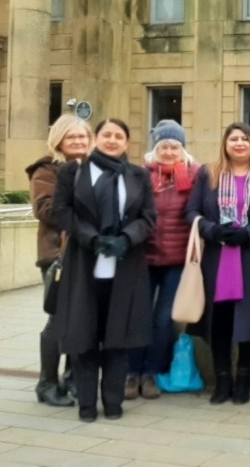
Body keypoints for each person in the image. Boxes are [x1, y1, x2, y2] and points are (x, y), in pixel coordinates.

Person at [52, 118, 157, 422]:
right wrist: (92, 238)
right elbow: (62, 211)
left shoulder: (138, 175)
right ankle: (86, 404)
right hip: (84, 266)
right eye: (106, 135)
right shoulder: (73, 172)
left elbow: (149, 217)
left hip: (125, 268)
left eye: (119, 136)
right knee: (84, 337)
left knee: (117, 339)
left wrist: (126, 238)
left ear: (127, 141)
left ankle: (113, 402)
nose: (112, 140)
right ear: (95, 138)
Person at [185, 122, 250, 405]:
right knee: (220, 320)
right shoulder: (208, 174)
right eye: (233, 139)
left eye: (244, 139)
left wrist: (249, 233)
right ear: (225, 145)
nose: (239, 143)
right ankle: (222, 378)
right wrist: (211, 229)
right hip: (218, 256)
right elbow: (191, 211)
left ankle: (243, 377)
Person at [125, 120, 200, 400]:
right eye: (164, 146)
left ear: (183, 148)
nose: (169, 152)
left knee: (163, 319)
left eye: (175, 146)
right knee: (138, 317)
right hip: (142, 258)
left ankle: (152, 373)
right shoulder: (140, 175)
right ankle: (132, 372)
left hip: (177, 260)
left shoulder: (194, 174)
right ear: (155, 148)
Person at [26, 114, 93, 407]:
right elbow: (46, 210)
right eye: (72, 137)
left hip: (89, 253)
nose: (78, 141)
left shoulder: (95, 168)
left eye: (82, 136)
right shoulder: (47, 170)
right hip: (59, 255)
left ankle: (74, 379)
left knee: (83, 319)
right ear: (60, 140)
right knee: (59, 318)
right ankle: (47, 383)